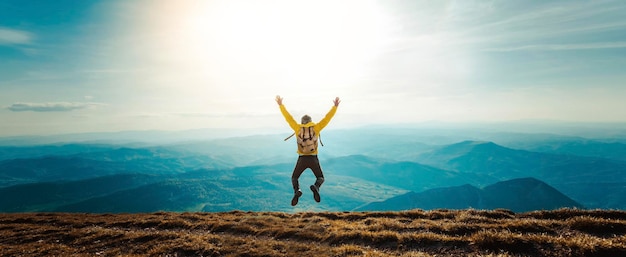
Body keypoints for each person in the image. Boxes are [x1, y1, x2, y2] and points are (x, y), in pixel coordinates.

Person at [275, 95, 340, 206]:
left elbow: (288, 118)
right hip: (313, 158)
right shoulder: (316, 127)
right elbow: (327, 118)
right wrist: (335, 107)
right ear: (310, 121)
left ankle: (297, 191)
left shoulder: (297, 128)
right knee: (320, 177)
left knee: (295, 177)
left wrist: (281, 105)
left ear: (302, 122)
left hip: (302, 158)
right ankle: (316, 187)